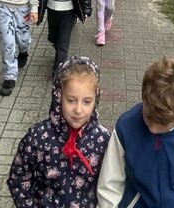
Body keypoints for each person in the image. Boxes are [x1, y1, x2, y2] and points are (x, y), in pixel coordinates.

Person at [96, 57, 174, 208]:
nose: (153, 128)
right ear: (144, 98)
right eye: (149, 117)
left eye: (163, 123)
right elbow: (110, 182)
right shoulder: (126, 127)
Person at [7, 56, 111, 208]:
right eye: (71, 100)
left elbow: (112, 185)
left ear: (96, 100)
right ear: (59, 96)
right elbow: (19, 178)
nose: (78, 110)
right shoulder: (38, 137)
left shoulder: (103, 140)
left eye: (87, 101)